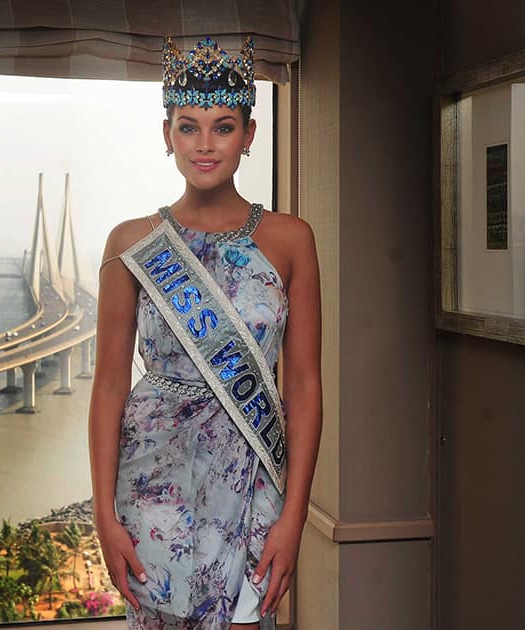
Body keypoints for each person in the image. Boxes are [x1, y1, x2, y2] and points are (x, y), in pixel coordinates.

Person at [88, 35, 322, 630]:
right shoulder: (130, 244)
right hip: (152, 479)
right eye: (188, 127)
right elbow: (110, 384)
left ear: (248, 135)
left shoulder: (291, 240)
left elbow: (303, 384)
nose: (205, 144)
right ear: (167, 134)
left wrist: (294, 518)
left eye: (223, 126)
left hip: (252, 475)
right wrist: (104, 515)